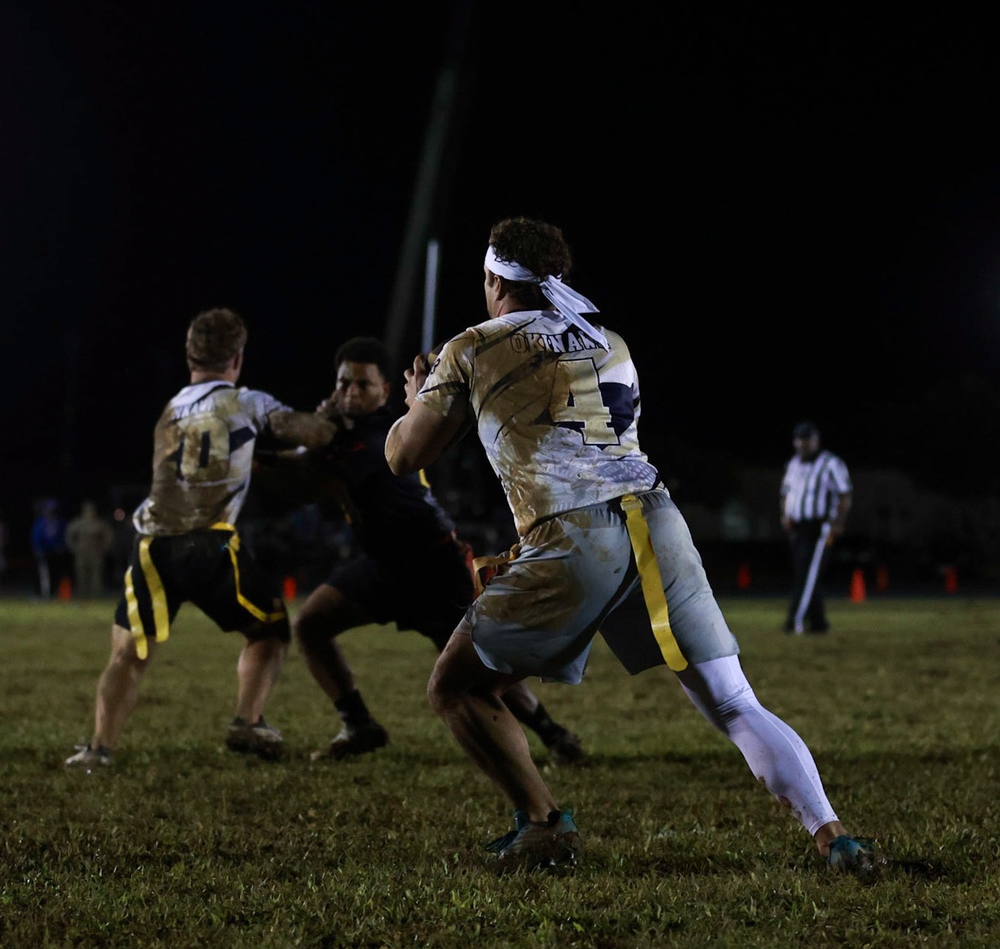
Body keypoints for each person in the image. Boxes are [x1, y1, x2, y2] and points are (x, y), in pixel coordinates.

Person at [384, 216, 883, 877]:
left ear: (491, 278)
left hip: (576, 534)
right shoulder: (608, 340)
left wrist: (418, 399)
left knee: (455, 685)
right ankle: (833, 835)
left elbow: (405, 454)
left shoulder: (471, 346)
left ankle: (541, 822)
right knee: (736, 703)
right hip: (657, 519)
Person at [285, 335, 584, 764]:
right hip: (382, 565)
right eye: (343, 383)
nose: (350, 392)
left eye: (362, 385)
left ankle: (553, 735)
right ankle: (359, 724)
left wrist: (307, 435)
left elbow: (303, 476)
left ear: (385, 391)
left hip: (432, 565)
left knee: (477, 668)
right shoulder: (342, 437)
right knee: (311, 624)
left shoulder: (375, 439)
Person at [64, 307, 337, 771]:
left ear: (190, 356)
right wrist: (326, 419)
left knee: (128, 653)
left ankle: (99, 750)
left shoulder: (171, 409)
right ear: (237, 359)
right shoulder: (244, 401)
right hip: (207, 544)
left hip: (151, 544)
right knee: (268, 630)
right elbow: (315, 433)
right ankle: (248, 721)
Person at [779, 421, 853, 634]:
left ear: (816, 441)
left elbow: (844, 494)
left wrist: (838, 522)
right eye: (800, 440)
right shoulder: (793, 464)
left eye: (807, 440)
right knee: (807, 574)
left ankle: (795, 621)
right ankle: (819, 623)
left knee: (807, 574)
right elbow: (786, 492)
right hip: (798, 526)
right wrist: (785, 515)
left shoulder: (830, 463)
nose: (803, 444)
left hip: (820, 526)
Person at [65, 499, 115, 599]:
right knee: (81, 574)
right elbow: (69, 535)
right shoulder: (78, 523)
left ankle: (96, 596)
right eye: (87, 510)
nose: (89, 512)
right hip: (81, 553)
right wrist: (73, 548)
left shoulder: (99, 523)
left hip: (96, 552)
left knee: (96, 576)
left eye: (91, 510)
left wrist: (104, 547)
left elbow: (108, 536)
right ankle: (83, 595)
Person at [31, 498, 68, 599]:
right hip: (44, 551)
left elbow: (63, 535)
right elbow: (36, 536)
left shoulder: (59, 521)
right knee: (42, 573)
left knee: (55, 572)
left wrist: (61, 546)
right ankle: (41, 593)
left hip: (55, 551)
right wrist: (38, 549)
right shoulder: (41, 522)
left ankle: (53, 593)